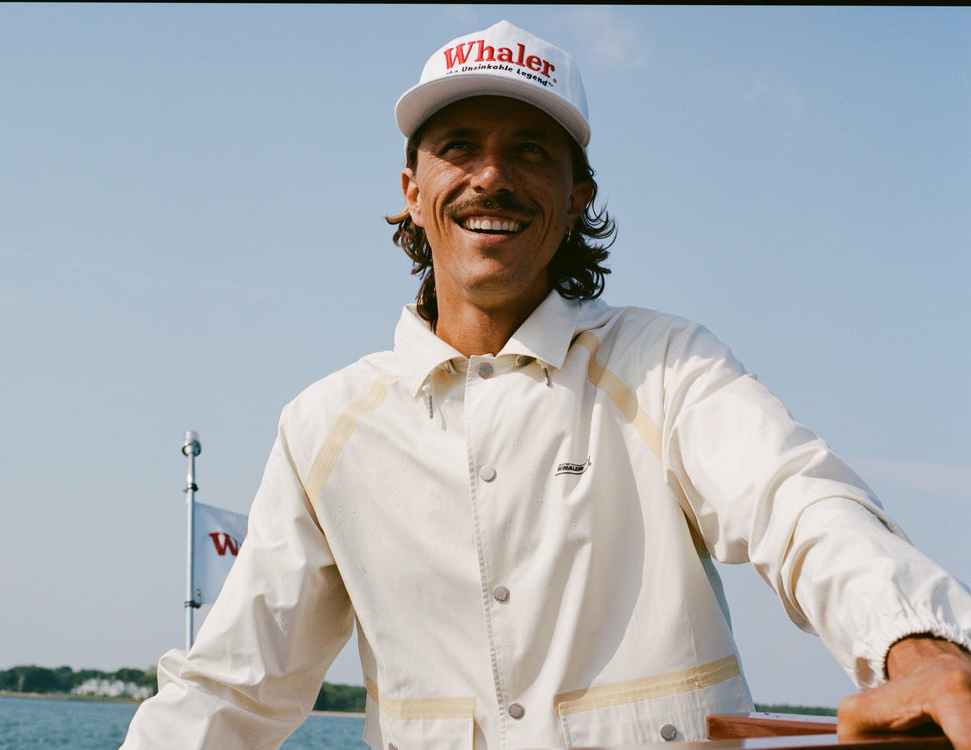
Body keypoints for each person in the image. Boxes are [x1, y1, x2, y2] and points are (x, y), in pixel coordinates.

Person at [121, 20, 971, 750]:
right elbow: (232, 689)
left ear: (577, 199)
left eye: (529, 150)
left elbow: (799, 504)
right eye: (459, 148)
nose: (491, 175)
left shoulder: (666, 364)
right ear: (412, 191)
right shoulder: (325, 426)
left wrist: (921, 647)